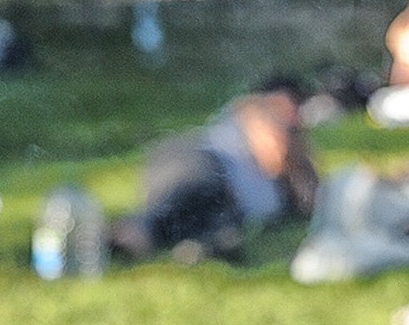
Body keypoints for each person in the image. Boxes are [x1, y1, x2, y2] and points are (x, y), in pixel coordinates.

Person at [111, 79, 319, 264]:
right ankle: (120, 239)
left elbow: (310, 202)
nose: (295, 118)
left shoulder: (291, 175)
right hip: (193, 163)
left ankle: (195, 248)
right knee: (171, 209)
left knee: (210, 230)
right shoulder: (255, 112)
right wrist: (296, 153)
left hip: (223, 203)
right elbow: (275, 152)